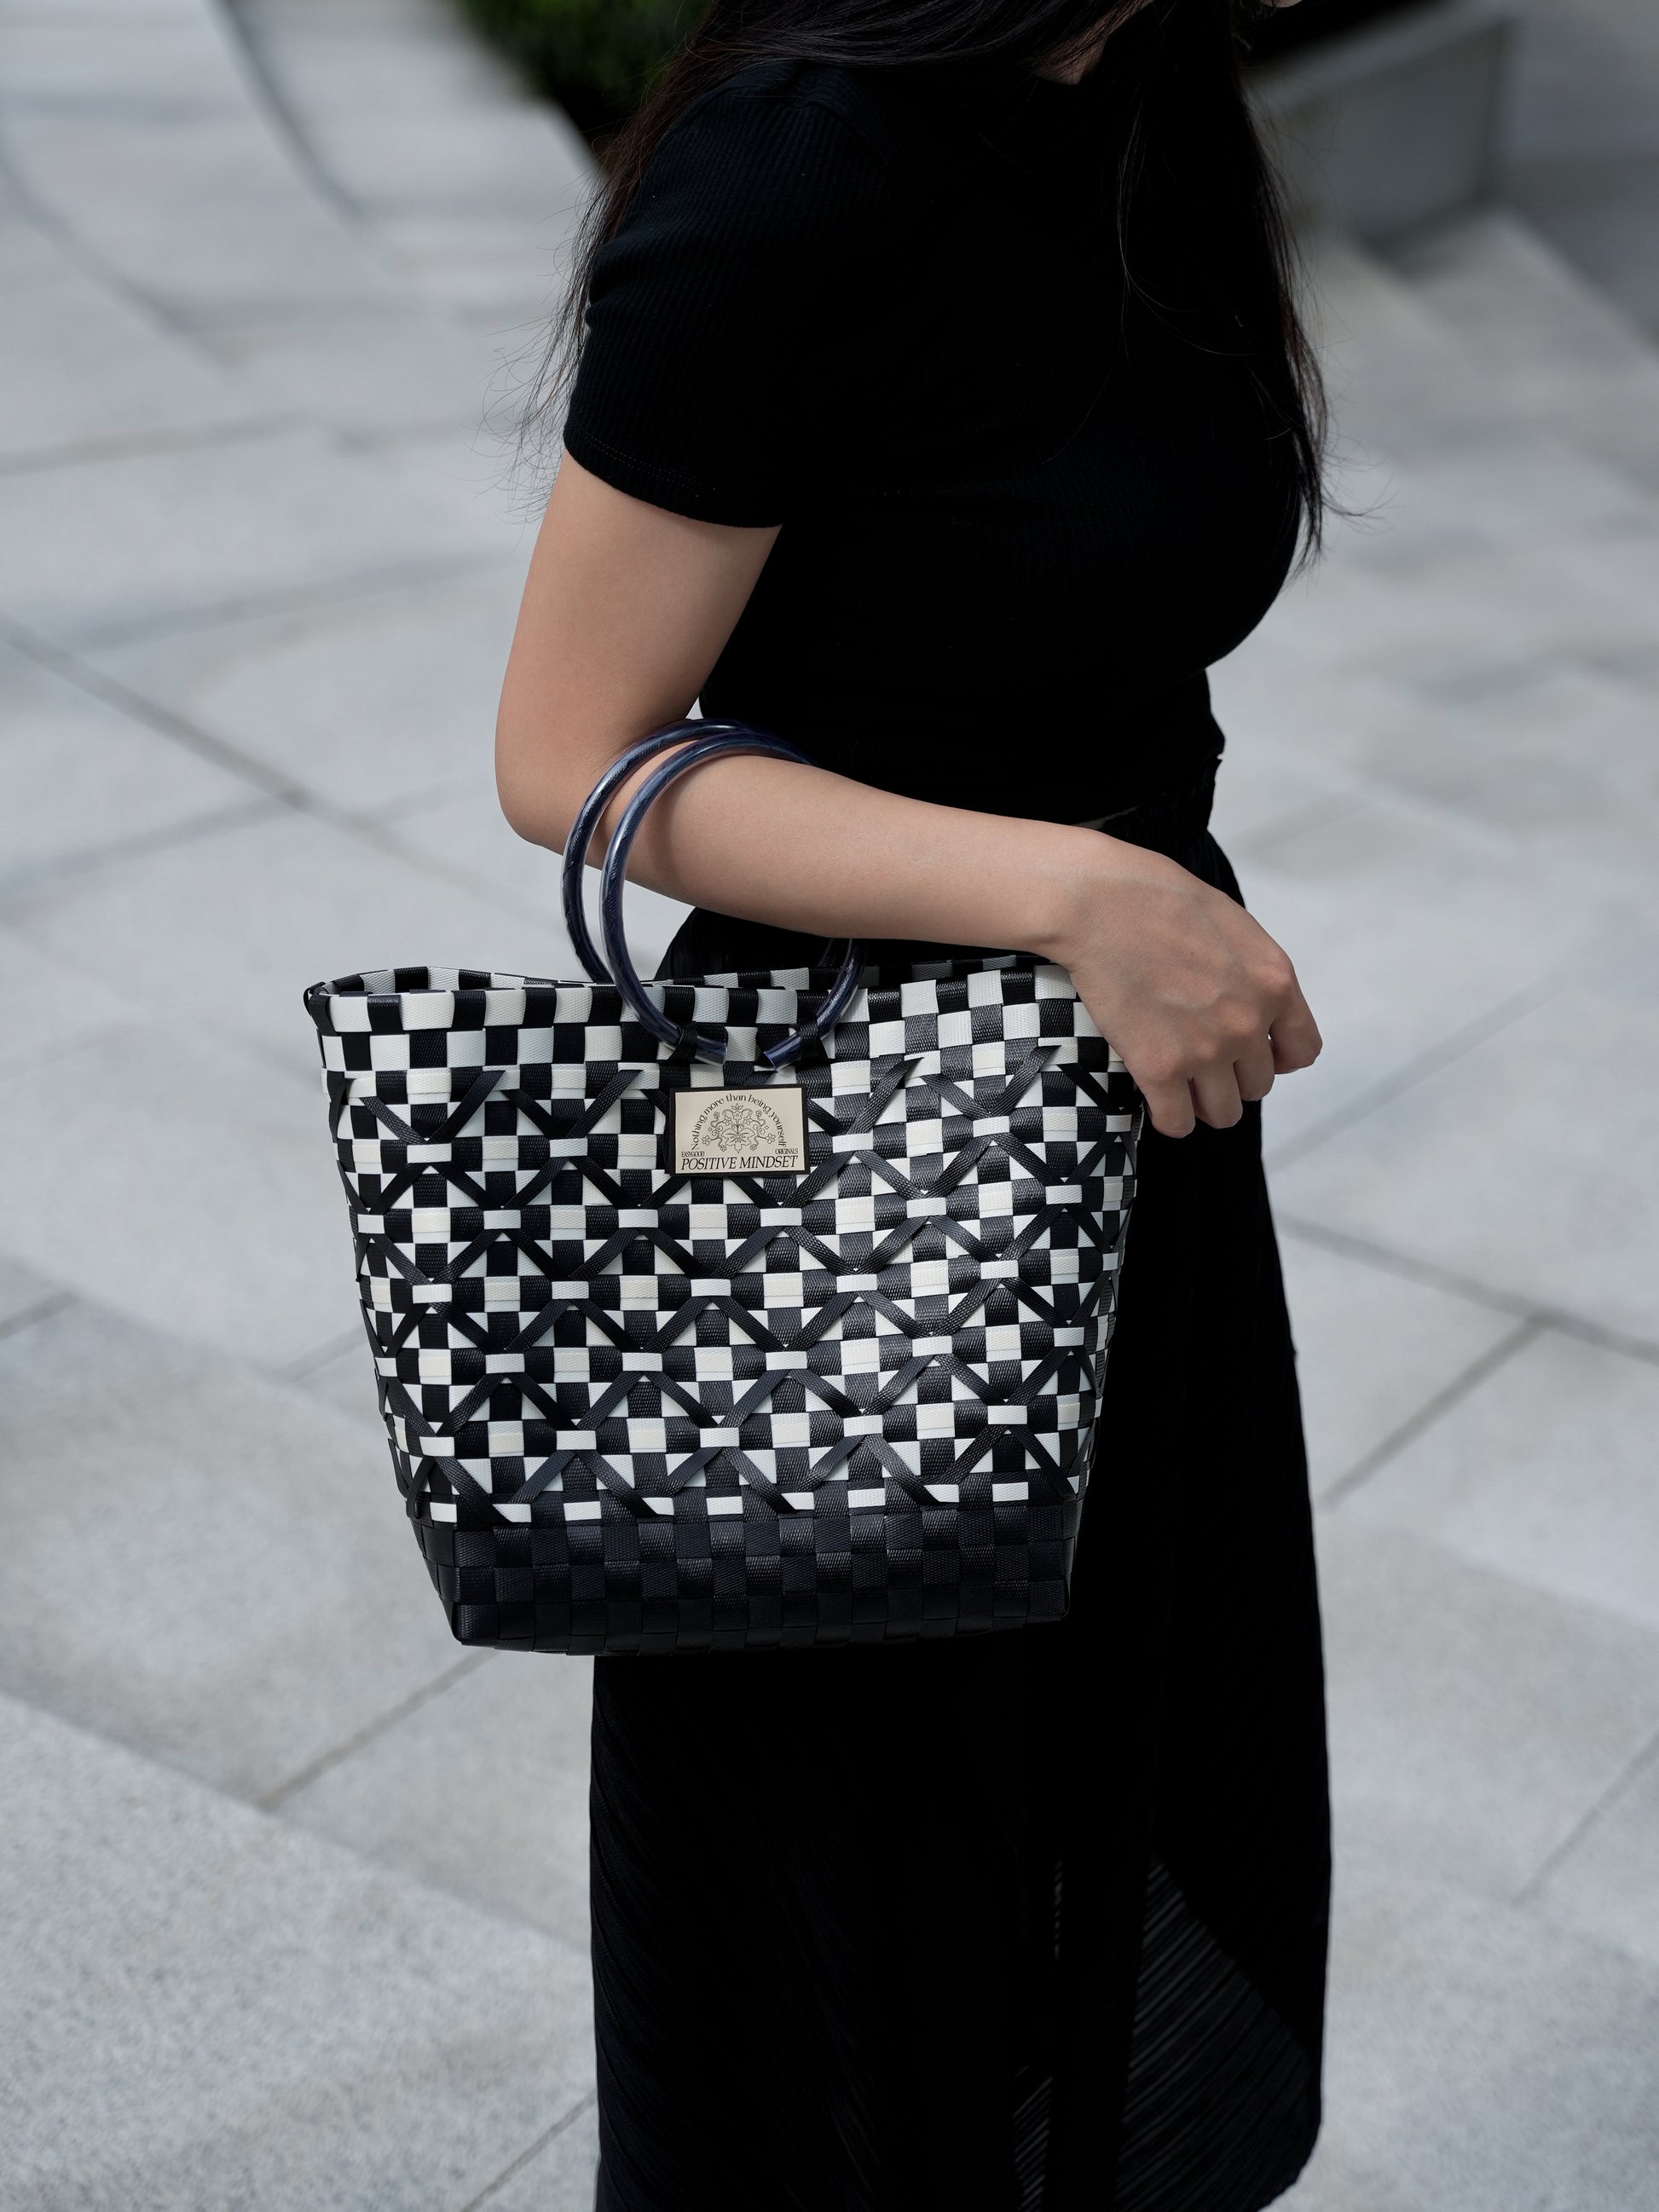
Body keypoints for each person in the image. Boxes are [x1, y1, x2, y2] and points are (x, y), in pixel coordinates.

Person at [494, 3, 1331, 2205]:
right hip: (847, 1149)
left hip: (1135, 1114)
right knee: (843, 1909)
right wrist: (1060, 888)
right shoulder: (792, 160)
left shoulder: (1142, 83)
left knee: (1105, 1812)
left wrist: (1115, 916)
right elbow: (569, 752)